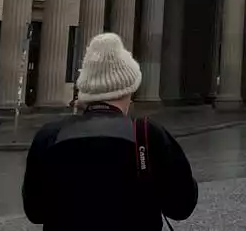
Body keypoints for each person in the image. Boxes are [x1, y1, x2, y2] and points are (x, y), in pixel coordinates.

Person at [22, 32, 198, 228]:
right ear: (128, 89)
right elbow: (181, 207)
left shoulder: (51, 136)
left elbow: (35, 211)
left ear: (86, 91)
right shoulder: (147, 135)